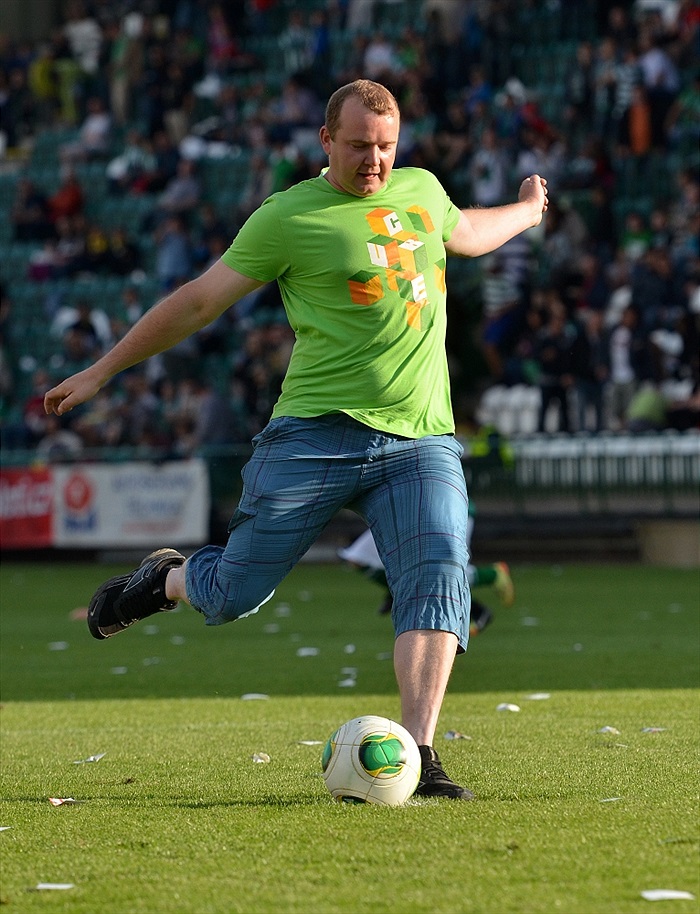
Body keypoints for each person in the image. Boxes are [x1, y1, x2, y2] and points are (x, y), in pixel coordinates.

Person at [44, 79, 548, 802]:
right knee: (233, 595)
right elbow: (198, 301)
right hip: (314, 436)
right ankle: (167, 581)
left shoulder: (423, 190)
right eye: (359, 146)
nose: (374, 161)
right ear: (326, 141)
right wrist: (102, 370)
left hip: (420, 438)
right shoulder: (288, 217)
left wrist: (527, 211)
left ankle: (420, 753)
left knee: (440, 576)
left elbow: (467, 232)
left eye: (386, 146)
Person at [338, 501, 515, 631]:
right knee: (356, 558)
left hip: (445, 508)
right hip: (405, 511)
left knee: (445, 571)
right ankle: (397, 592)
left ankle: (492, 576)